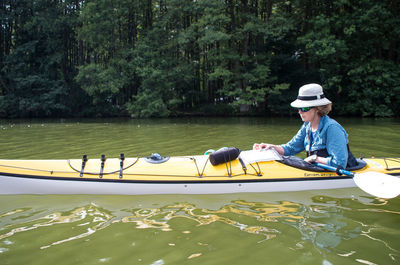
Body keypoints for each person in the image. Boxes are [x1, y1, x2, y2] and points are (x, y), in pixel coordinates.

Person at [253, 83, 357, 169]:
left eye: (304, 108)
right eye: (299, 108)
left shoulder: (332, 128)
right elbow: (290, 149)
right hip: (317, 169)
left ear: (318, 108)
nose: (300, 112)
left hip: (345, 169)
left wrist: (315, 159)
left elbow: (339, 164)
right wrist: (271, 147)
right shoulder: (307, 126)